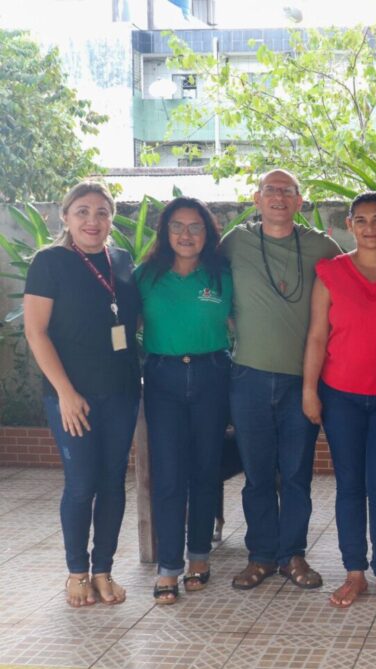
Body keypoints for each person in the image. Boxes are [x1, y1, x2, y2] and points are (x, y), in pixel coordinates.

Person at [220, 169, 341, 590]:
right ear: (256, 199)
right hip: (248, 376)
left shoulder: (321, 246)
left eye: (286, 191)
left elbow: (346, 295)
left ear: (299, 200)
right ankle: (260, 556)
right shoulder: (235, 242)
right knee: (256, 475)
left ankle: (293, 555)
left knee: (295, 475)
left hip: (301, 381)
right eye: (270, 190)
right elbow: (212, 289)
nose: (277, 197)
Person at [23, 181, 141, 607]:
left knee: (112, 483)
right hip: (73, 397)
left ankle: (104, 570)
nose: (93, 221)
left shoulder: (122, 260)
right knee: (81, 484)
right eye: (83, 212)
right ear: (66, 217)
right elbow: (36, 332)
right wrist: (66, 393)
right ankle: (77, 572)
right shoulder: (50, 262)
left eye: (102, 212)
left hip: (121, 394)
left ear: (111, 218)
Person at [302, 191, 376, 609]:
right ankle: (355, 572)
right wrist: (309, 389)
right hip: (341, 398)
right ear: (349, 225)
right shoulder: (331, 272)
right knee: (350, 486)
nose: (370, 228)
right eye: (362, 220)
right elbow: (317, 335)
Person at [135, 197, 232, 604]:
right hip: (163, 378)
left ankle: (199, 557)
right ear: (165, 231)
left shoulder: (222, 274)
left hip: (213, 374)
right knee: (170, 474)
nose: (186, 234)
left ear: (207, 233)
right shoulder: (146, 277)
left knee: (206, 471)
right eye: (178, 226)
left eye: (195, 226)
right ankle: (169, 566)